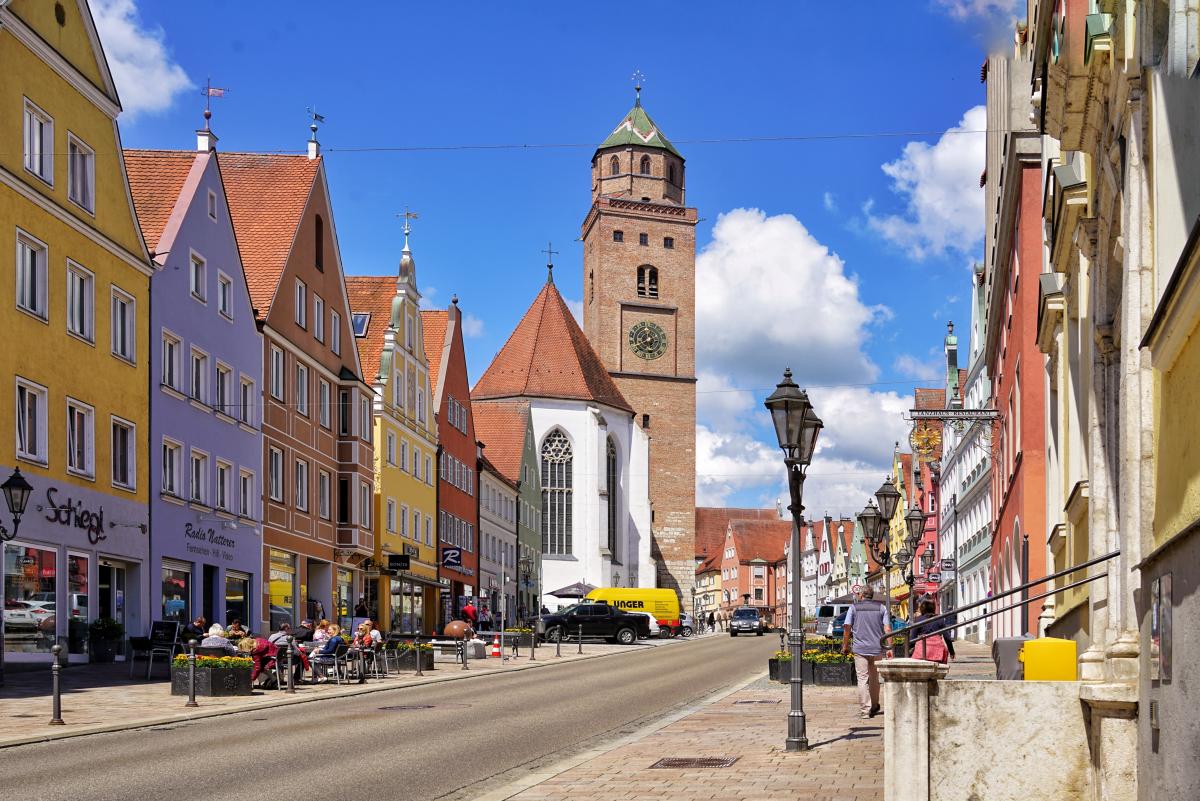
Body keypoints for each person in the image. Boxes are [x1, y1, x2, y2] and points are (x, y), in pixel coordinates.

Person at [841, 587, 890, 719]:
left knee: (862, 679)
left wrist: (845, 646)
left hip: (860, 648)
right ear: (871, 596)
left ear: (861, 595)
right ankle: (874, 705)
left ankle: (865, 710)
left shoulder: (853, 608)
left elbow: (847, 628)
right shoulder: (881, 608)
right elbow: (887, 628)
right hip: (877, 648)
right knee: (874, 678)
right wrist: (890, 647)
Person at [909, 599, 954, 663]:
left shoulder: (918, 620)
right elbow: (947, 638)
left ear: (922, 609)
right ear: (933, 608)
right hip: (938, 651)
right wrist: (952, 652)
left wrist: (909, 651)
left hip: (922, 651)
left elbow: (912, 638)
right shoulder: (939, 619)